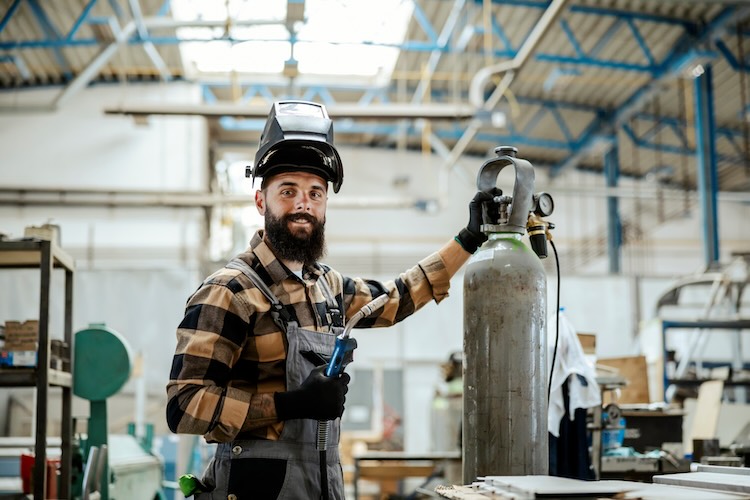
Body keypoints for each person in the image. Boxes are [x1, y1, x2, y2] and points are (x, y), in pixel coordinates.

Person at [166, 100, 495, 500]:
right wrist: (289, 405)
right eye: (287, 191)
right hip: (252, 487)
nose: (303, 203)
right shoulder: (230, 291)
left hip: (322, 483)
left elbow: (396, 298)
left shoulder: (327, 285)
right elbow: (183, 406)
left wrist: (469, 239)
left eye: (315, 193)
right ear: (260, 201)